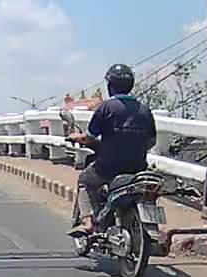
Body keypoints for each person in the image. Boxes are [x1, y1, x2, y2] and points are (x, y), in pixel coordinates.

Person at [67, 64, 157, 239]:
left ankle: (87, 223)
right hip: (138, 168)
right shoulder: (145, 110)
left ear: (110, 85)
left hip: (108, 167)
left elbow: (89, 137)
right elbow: (152, 141)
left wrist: (75, 137)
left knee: (85, 181)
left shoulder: (106, 108)